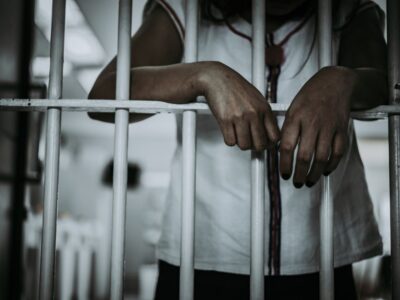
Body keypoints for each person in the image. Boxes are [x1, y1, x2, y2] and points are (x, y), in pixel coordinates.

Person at [88, 0, 387, 298]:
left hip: (322, 258)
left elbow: (387, 84)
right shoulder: (187, 9)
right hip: (201, 257)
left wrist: (344, 80)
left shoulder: (347, 8)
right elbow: (104, 93)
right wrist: (202, 76)